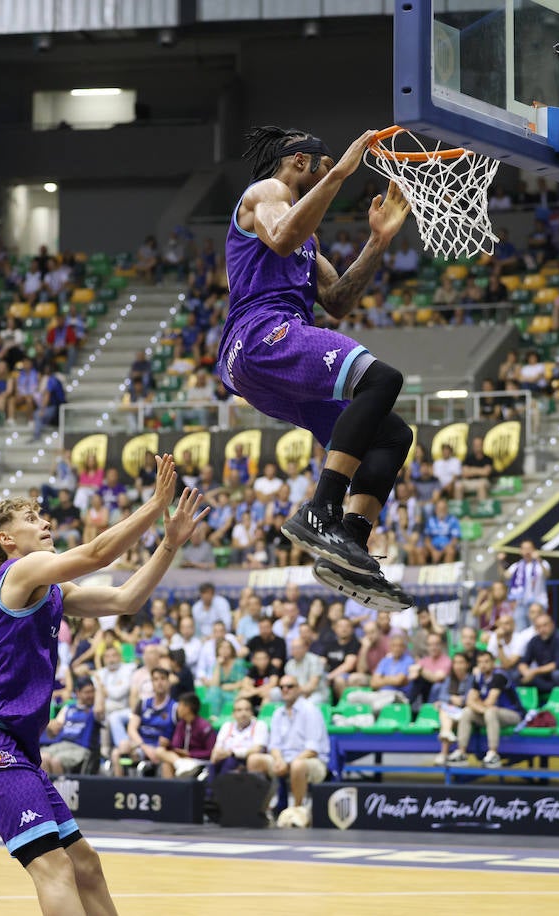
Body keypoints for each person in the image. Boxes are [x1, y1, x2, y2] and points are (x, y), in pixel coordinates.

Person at [0, 454, 205, 916]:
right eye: (31, 518)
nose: (45, 522)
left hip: (19, 750)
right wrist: (154, 505)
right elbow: (96, 555)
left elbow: (127, 598)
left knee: (84, 863)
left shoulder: (51, 591)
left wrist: (167, 544)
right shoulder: (17, 572)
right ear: (7, 539)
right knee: (53, 866)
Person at [219, 125, 415, 613]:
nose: (332, 177)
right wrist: (344, 169)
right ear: (303, 162)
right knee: (382, 379)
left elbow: (339, 301)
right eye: (325, 168)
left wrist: (378, 241)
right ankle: (321, 510)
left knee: (392, 435)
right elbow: (282, 237)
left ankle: (348, 543)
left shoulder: (306, 235)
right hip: (261, 335)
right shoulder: (268, 193)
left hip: (264, 363)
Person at [248, 674, 330, 821]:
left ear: (298, 689)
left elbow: (313, 749)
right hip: (284, 760)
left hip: (312, 761)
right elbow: (274, 745)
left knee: (297, 766)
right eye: (282, 687)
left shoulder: (310, 711)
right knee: (255, 760)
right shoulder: (278, 713)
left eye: (290, 686)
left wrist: (289, 763)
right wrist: (279, 760)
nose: (285, 690)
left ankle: (297, 812)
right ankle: (259, 811)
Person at [447, 649, 525, 768]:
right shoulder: (479, 678)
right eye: (480, 662)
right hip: (490, 714)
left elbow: (490, 702)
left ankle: (493, 753)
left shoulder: (499, 676)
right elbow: (469, 701)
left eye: (486, 661)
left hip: (513, 714)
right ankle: (461, 752)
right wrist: (481, 707)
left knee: (490, 711)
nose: (483, 665)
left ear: (493, 662)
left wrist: (478, 702)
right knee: (467, 712)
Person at [40, 680, 97, 777]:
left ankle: (59, 791)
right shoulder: (68, 707)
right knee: (42, 757)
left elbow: (100, 710)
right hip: (62, 744)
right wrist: (50, 726)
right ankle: (46, 789)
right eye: (87, 692)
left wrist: (99, 685)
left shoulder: (94, 709)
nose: (90, 695)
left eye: (92, 692)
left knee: (55, 761)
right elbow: (54, 728)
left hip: (79, 747)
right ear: (78, 693)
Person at [158, 693, 215, 779]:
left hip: (198, 760)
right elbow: (176, 746)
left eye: (180, 705)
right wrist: (168, 745)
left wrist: (190, 754)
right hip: (184, 760)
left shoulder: (204, 727)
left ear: (187, 708)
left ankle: (181, 764)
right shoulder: (181, 724)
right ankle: (179, 765)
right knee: (160, 752)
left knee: (168, 762)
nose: (177, 708)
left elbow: (211, 752)